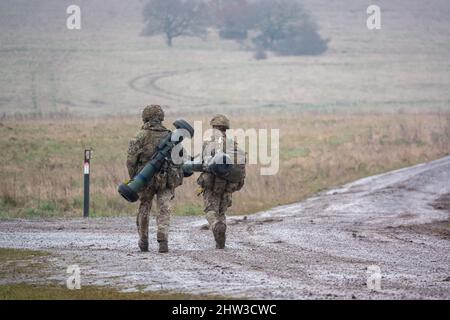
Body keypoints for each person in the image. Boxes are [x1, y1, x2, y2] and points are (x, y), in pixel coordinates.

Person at [126, 105, 183, 253]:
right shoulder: (171, 136)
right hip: (166, 179)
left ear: (145, 118)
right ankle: (163, 238)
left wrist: (135, 179)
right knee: (164, 207)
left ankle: (144, 239)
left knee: (145, 206)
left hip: (145, 179)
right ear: (161, 118)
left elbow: (131, 161)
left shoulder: (139, 136)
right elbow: (180, 159)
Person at [197, 114, 246, 249]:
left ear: (213, 127)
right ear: (226, 128)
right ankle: (220, 240)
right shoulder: (232, 144)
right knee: (222, 212)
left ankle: (215, 225)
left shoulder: (208, 143)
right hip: (228, 185)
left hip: (211, 183)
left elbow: (204, 162)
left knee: (210, 211)